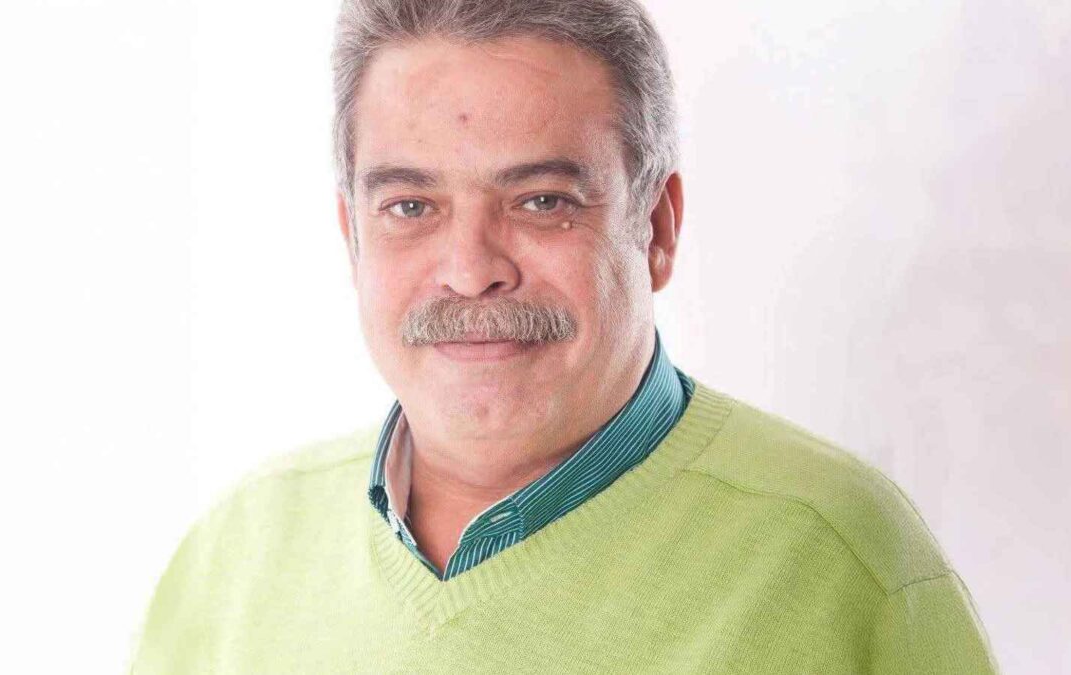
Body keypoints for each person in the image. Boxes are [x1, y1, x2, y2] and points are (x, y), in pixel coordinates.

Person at [129, 1, 998, 672]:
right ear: (353, 236)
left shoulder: (841, 559)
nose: (470, 269)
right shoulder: (232, 560)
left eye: (541, 201)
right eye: (411, 206)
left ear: (656, 227)